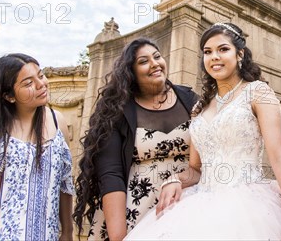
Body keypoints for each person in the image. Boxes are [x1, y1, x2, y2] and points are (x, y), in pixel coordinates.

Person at [125, 23, 281, 241]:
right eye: (208, 52)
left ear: (239, 54)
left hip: (249, 204)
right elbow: (196, 169)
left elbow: (280, 157)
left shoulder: (258, 93)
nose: (214, 56)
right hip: (199, 201)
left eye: (223, 49)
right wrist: (175, 179)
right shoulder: (199, 108)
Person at [74, 38, 199, 240]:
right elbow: (111, 173)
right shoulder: (116, 110)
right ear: (130, 72)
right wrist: (119, 235)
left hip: (185, 203)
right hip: (134, 211)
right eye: (143, 61)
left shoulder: (189, 99)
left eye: (157, 56)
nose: (155, 63)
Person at [0, 53, 74, 240]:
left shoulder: (58, 121)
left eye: (40, 75)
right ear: (9, 96)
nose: (41, 84)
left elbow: (65, 184)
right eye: (28, 83)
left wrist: (68, 232)